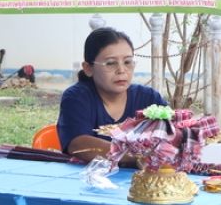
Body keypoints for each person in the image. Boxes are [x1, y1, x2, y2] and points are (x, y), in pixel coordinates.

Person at [57, 27, 169, 163]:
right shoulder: (77, 97)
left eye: (127, 62)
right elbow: (78, 144)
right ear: (88, 68)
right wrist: (137, 157)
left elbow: (175, 133)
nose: (121, 70)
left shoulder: (149, 99)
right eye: (110, 63)